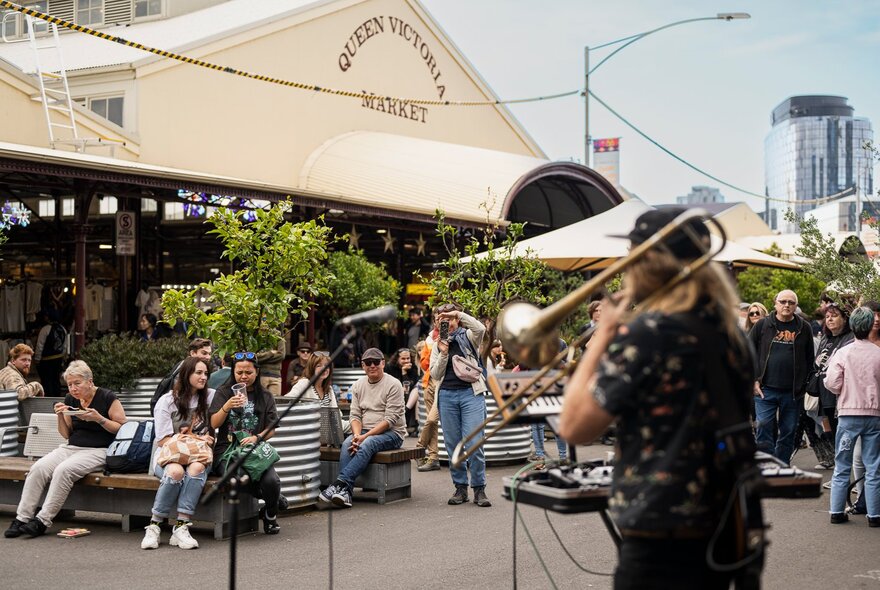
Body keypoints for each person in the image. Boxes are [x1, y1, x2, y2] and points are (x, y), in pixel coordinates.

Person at [559, 207, 756, 589]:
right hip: (722, 522)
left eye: (632, 259)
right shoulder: (730, 335)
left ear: (650, 264)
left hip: (659, 530)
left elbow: (574, 427)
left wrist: (600, 339)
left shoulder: (649, 333)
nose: (626, 270)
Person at [4, 360, 127, 538]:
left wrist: (99, 419)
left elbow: (122, 428)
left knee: (64, 470)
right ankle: (22, 518)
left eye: (77, 383)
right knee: (38, 468)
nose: (73, 388)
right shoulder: (71, 399)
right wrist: (60, 416)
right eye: (70, 384)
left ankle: (42, 521)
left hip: (100, 450)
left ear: (90, 381)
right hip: (71, 447)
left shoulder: (107, 397)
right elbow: (66, 434)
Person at [141, 357, 215, 550]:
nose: (203, 377)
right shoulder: (166, 401)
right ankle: (155, 525)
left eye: (206, 373)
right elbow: (163, 440)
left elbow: (217, 428)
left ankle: (181, 527)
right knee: (175, 472)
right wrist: (197, 438)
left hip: (198, 456)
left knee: (197, 469)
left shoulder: (210, 397)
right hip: (169, 456)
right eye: (198, 373)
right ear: (186, 374)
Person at [209, 352, 285, 534]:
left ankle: (269, 514)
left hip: (254, 450)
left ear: (256, 372)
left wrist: (256, 437)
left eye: (248, 372)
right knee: (238, 478)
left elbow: (272, 428)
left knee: (271, 481)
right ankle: (275, 499)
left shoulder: (265, 396)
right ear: (233, 371)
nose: (244, 376)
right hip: (227, 451)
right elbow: (213, 424)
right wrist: (227, 406)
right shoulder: (223, 392)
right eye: (239, 372)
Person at [318, 348, 404, 508]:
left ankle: (339, 483)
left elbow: (390, 420)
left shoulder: (394, 384)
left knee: (367, 444)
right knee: (347, 444)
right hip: (364, 431)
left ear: (383, 363)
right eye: (368, 363)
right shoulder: (358, 385)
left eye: (376, 362)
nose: (372, 365)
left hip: (392, 434)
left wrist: (364, 437)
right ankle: (346, 493)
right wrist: (357, 435)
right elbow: (355, 415)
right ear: (362, 365)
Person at [429, 303, 492, 507]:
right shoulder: (437, 343)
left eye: (450, 318)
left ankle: (479, 489)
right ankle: (460, 488)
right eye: (442, 319)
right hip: (447, 396)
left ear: (458, 319)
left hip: (470, 394)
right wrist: (444, 352)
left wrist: (459, 313)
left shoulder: (469, 337)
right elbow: (435, 374)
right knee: (453, 445)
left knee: (474, 443)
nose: (446, 321)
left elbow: (481, 329)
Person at [823, 306, 880, 527]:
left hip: (848, 414)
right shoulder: (878, 353)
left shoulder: (843, 352)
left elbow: (831, 382)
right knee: (874, 466)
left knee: (842, 463)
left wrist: (844, 390)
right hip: (874, 415)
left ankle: (836, 511)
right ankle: (874, 515)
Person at [748, 289, 815, 464]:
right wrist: (754, 380)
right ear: (775, 304)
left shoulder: (804, 327)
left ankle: (782, 467)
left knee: (788, 432)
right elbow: (747, 352)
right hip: (765, 390)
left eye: (791, 302)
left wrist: (804, 383)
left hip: (792, 392)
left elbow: (809, 359)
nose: (786, 305)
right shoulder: (762, 325)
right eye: (783, 301)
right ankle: (768, 465)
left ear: (796, 306)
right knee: (763, 427)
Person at [806, 303, 853, 470]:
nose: (830, 319)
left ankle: (848, 477)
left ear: (845, 319)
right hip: (824, 396)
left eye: (835, 315)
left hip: (841, 396)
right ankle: (840, 474)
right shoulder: (825, 339)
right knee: (832, 434)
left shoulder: (851, 338)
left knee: (845, 439)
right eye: (827, 316)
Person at [285, 353, 351, 434]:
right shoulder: (304, 383)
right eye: (319, 365)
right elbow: (286, 402)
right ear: (312, 368)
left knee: (356, 428)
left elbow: (336, 415)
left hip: (328, 432)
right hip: (308, 433)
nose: (324, 369)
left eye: (326, 365)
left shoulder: (329, 389)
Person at [149, 338, 213, 415]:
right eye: (204, 353)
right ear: (193, 353)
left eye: (209, 354)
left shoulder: (181, 364)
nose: (208, 357)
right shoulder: (184, 369)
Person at [416, 311, 442, 472]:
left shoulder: (454, 335)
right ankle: (433, 457)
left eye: (442, 318)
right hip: (429, 381)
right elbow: (424, 364)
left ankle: (419, 448)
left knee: (431, 420)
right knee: (431, 423)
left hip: (443, 381)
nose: (439, 321)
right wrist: (432, 351)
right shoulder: (429, 337)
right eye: (437, 318)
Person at [385, 347, 420, 437]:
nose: (406, 361)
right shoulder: (390, 368)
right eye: (403, 359)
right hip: (394, 395)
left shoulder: (413, 368)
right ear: (397, 359)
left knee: (417, 391)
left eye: (408, 358)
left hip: (410, 397)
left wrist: (404, 373)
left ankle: (413, 421)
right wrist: (403, 371)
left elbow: (412, 385)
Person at [33, 309, 67, 398]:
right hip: (58, 358)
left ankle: (47, 397)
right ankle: (57, 396)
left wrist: (37, 358)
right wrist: (63, 356)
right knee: (56, 379)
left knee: (46, 380)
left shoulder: (45, 329)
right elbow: (65, 345)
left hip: (46, 360)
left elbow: (40, 345)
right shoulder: (62, 328)